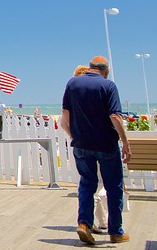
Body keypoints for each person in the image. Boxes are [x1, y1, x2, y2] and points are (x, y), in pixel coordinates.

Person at [61, 56, 132, 244]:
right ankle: (116, 232)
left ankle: (84, 223)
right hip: (106, 144)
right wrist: (125, 142)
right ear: (106, 71)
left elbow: (65, 114)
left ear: (90, 68)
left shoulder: (72, 83)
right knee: (114, 186)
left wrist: (74, 135)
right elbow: (115, 116)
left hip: (82, 144)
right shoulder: (108, 86)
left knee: (86, 184)